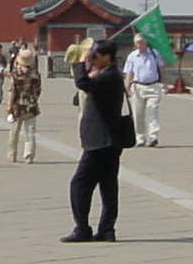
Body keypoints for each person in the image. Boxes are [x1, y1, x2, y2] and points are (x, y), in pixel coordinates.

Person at [65, 38, 128, 243]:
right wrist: (90, 64)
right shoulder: (109, 75)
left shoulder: (109, 77)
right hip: (109, 140)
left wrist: (80, 61)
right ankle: (106, 230)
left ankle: (82, 228)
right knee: (107, 185)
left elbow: (82, 83)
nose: (93, 58)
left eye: (96, 56)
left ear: (107, 57)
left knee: (79, 184)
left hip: (101, 141)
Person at [123, 32, 165, 148]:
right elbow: (129, 73)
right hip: (137, 86)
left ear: (146, 43)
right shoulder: (132, 56)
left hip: (153, 86)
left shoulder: (154, 54)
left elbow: (161, 68)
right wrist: (127, 87)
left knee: (152, 111)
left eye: (142, 42)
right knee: (138, 113)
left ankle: (153, 136)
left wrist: (164, 83)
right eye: (137, 43)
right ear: (135, 44)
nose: (140, 45)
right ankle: (140, 137)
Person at [5, 47, 41, 164]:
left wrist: (9, 105)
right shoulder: (36, 74)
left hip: (17, 106)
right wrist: (33, 99)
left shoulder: (16, 74)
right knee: (30, 131)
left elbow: (12, 90)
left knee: (14, 131)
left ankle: (12, 154)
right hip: (31, 105)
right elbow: (39, 90)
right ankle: (29, 155)